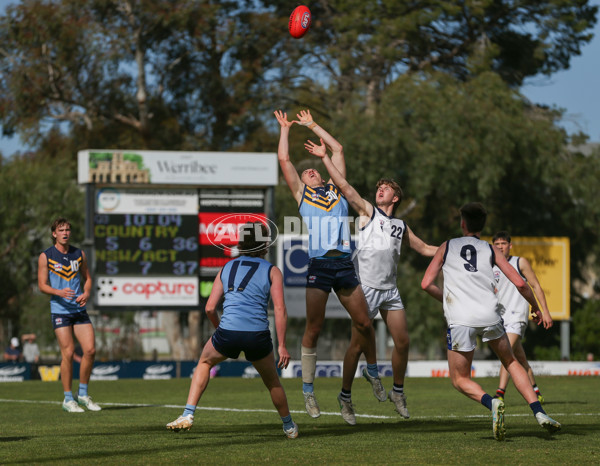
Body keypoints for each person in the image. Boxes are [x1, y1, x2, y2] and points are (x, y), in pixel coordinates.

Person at [306, 142, 437, 424]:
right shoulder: (367, 212)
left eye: (386, 188)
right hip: (363, 290)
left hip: (390, 290)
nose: (380, 189)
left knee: (402, 341)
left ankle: (398, 392)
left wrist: (456, 247)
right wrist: (326, 158)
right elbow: (343, 185)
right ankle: (345, 397)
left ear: (396, 198)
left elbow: (426, 249)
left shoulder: (400, 226)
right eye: (379, 187)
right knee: (355, 348)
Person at [274, 109, 382, 419]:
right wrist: (285, 130)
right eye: (304, 172)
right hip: (319, 266)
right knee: (314, 329)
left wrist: (312, 127)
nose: (307, 172)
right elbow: (285, 161)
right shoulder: (302, 195)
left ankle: (371, 371)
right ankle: (308, 391)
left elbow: (338, 150)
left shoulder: (339, 190)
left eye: (313, 170)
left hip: (344, 266)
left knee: (364, 323)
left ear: (323, 173)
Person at [421, 203, 561, 440]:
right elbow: (520, 283)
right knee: (511, 362)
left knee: (460, 379)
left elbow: (426, 284)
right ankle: (539, 412)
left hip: (460, 318)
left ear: (462, 223)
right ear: (483, 226)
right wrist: (536, 308)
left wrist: (447, 300)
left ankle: (492, 403)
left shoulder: (447, 247)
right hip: (490, 316)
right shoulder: (489, 249)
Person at [166, 222, 298, 439]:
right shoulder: (273, 271)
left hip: (228, 332)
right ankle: (289, 427)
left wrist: (221, 331)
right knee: (272, 381)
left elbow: (210, 308)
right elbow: (280, 309)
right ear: (264, 244)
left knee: (205, 362)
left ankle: (188, 414)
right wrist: (282, 345)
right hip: (258, 336)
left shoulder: (226, 267)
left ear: (241, 243)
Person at [37, 217, 101, 413]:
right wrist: (59, 292)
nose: (65, 233)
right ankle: (67, 398)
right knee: (68, 352)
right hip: (60, 311)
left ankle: (82, 394)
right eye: (61, 230)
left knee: (90, 350)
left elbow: (88, 278)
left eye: (67, 230)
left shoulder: (79, 254)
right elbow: (42, 285)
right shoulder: (46, 256)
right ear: (54, 234)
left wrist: (87, 293)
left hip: (78, 309)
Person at [491, 231, 553, 404]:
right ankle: (536, 390)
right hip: (498, 318)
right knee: (519, 358)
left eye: (503, 244)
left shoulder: (519, 262)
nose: (500, 247)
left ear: (510, 246)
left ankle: (499, 394)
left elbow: (536, 286)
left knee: (506, 353)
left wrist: (545, 311)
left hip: (517, 316)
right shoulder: (489, 265)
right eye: (497, 245)